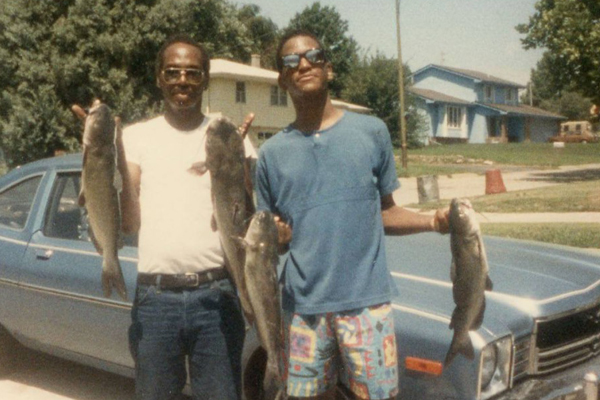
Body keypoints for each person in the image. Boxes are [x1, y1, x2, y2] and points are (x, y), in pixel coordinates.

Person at [255, 29, 450, 400]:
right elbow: (267, 243)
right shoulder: (271, 154)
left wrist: (433, 222)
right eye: (291, 61)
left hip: (367, 304)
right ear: (282, 78)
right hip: (302, 310)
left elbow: (386, 213)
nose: (304, 64)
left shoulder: (371, 131)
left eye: (313, 56)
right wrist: (277, 242)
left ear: (329, 68)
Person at [108, 34, 253, 400]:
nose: (182, 81)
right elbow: (129, 224)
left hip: (217, 294)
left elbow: (247, 216)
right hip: (156, 299)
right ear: (159, 78)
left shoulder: (228, 133)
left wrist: (237, 162)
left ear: (205, 78)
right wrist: (101, 153)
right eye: (173, 72)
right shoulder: (137, 136)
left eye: (192, 72)